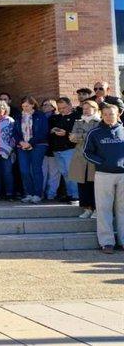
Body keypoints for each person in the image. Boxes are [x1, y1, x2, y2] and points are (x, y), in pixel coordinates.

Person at [82, 105, 124, 254]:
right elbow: (87, 153)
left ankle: (123, 240)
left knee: (122, 209)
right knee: (104, 208)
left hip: (123, 175)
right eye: (105, 114)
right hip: (103, 175)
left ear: (118, 114)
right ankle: (107, 242)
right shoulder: (95, 133)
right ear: (101, 115)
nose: (108, 116)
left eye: (111, 114)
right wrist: (103, 163)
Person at [14, 96, 49, 204]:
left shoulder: (40, 115)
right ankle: (29, 193)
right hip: (22, 145)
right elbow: (15, 132)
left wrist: (30, 143)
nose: (25, 108)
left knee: (36, 169)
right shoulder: (19, 116)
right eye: (23, 106)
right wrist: (21, 142)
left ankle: (38, 194)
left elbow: (43, 131)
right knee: (24, 170)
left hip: (38, 145)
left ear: (33, 104)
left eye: (27, 105)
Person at [70, 100, 101, 218]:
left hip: (93, 157)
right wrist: (82, 135)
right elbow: (72, 138)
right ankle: (87, 208)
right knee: (82, 183)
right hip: (79, 156)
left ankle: (96, 209)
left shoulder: (99, 122)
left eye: (88, 108)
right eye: (84, 108)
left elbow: (93, 137)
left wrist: (80, 135)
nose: (85, 110)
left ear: (95, 109)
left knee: (94, 183)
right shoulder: (79, 121)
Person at [47, 97, 79, 202]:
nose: (61, 110)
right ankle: (70, 194)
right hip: (57, 149)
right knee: (64, 173)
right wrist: (52, 131)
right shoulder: (55, 118)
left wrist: (66, 133)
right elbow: (48, 132)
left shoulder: (76, 117)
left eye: (64, 107)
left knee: (71, 172)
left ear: (70, 105)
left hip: (70, 149)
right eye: (59, 108)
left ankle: (76, 195)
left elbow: (78, 134)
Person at [41, 99, 61, 200]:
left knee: (54, 173)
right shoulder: (40, 118)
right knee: (42, 172)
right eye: (43, 105)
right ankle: (41, 193)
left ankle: (51, 194)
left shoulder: (57, 118)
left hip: (54, 148)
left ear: (53, 107)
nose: (44, 107)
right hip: (42, 149)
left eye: (47, 105)